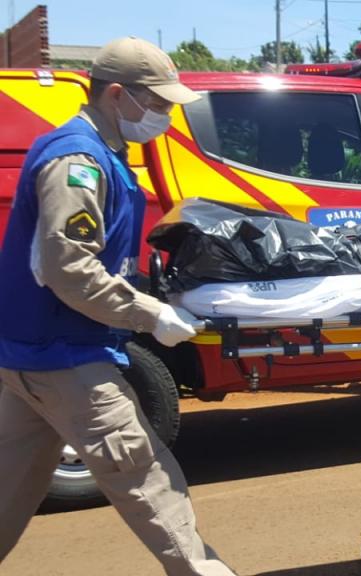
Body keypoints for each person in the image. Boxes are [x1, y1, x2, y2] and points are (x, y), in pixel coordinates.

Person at [0, 37, 236, 575]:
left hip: (30, 354)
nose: (165, 114)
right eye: (157, 103)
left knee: (7, 490)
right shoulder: (78, 161)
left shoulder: (100, 151)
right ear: (115, 95)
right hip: (66, 356)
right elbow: (69, 268)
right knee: (149, 483)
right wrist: (149, 315)